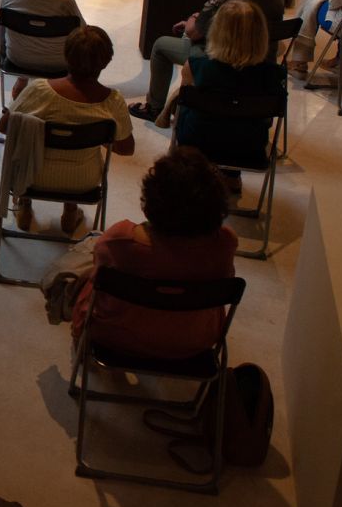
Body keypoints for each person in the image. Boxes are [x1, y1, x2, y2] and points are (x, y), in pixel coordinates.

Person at [71, 147, 236, 360]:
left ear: (151, 201)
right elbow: (225, 278)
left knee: (83, 266)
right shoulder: (224, 244)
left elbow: (98, 274)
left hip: (114, 337)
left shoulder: (121, 240)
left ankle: (79, 338)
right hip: (193, 344)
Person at [130, 0, 286, 121]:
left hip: (223, 63)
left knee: (162, 46)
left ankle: (154, 107)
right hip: (262, 66)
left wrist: (193, 19)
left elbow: (193, 32)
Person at [2, 26, 134, 235]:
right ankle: (70, 212)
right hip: (84, 182)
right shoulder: (113, 101)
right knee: (76, 158)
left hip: (31, 177)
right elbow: (126, 148)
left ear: (65, 56)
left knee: (29, 141)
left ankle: (24, 205)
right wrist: (95, 135)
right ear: (107, 61)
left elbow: (4, 127)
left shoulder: (39, 90)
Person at [175, 0, 286, 194]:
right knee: (238, 120)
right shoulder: (273, 75)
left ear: (216, 32)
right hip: (249, 149)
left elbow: (184, 108)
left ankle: (198, 177)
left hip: (196, 143)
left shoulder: (196, 66)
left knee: (201, 114)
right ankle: (232, 178)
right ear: (261, 35)